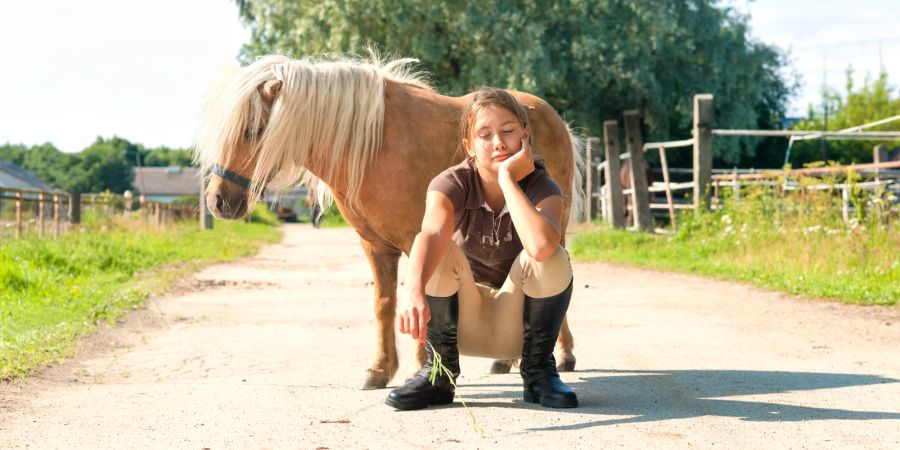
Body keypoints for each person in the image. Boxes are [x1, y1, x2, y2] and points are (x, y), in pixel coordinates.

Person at [385, 87, 577, 410]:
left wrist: (507, 180)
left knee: (553, 256)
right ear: (469, 147)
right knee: (439, 250)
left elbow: (542, 247)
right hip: (461, 323)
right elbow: (430, 232)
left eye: (507, 131)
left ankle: (538, 374)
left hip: (520, 329)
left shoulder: (545, 187)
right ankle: (439, 374)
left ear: (525, 137)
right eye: (484, 135)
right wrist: (413, 290)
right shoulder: (450, 183)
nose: (498, 142)